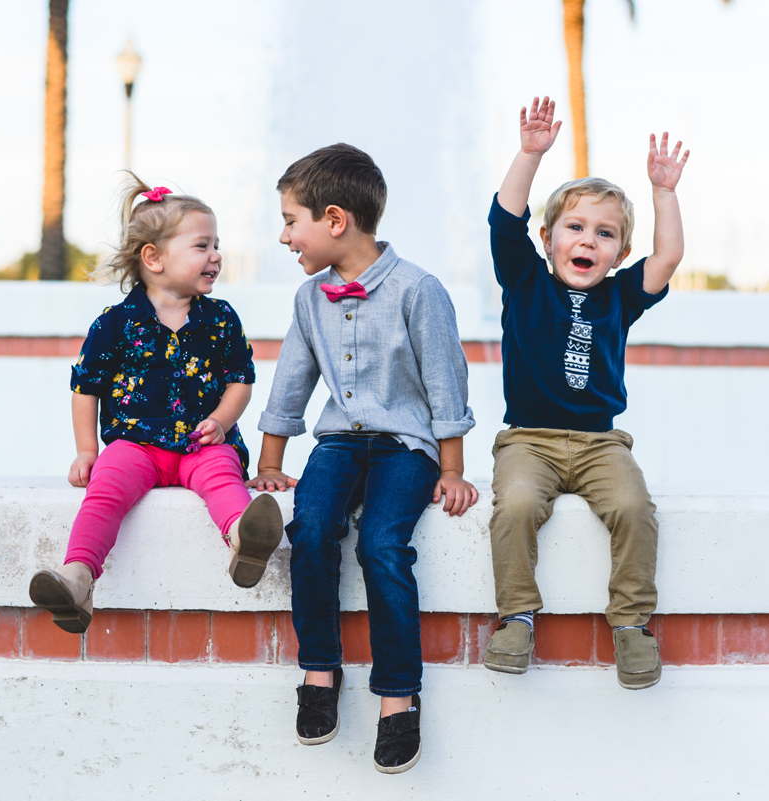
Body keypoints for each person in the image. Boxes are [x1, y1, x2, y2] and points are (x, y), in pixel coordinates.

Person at [248, 143, 478, 774]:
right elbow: (291, 381)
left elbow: (445, 382)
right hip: (340, 442)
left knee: (381, 544)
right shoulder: (308, 299)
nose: (284, 235)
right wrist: (271, 461)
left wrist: (452, 469)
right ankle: (320, 672)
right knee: (313, 528)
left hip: (407, 447)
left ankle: (398, 696)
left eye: (292, 221)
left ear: (334, 219)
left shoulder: (418, 290)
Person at [482, 96, 689, 689]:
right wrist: (530, 154)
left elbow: (669, 255)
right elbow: (503, 221)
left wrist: (664, 194)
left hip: (601, 444)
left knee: (634, 510)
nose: (587, 240)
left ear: (620, 253)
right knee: (516, 506)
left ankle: (631, 625)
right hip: (530, 441)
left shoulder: (620, 296)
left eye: (604, 234)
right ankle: (517, 617)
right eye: (575, 228)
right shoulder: (524, 280)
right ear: (548, 238)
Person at [28, 175, 284, 634]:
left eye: (217, 245)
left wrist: (222, 422)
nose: (216, 256)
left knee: (222, 475)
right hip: (135, 445)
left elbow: (240, 381)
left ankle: (244, 537)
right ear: (154, 258)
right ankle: (78, 575)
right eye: (202, 246)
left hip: (201, 443)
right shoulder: (115, 322)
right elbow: (86, 387)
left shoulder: (221, 318)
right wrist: (88, 450)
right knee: (104, 493)